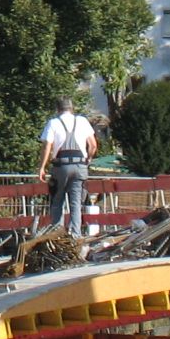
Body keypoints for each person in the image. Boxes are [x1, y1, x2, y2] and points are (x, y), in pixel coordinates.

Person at [36, 96, 98, 236]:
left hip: (61, 166)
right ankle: (76, 236)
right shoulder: (82, 121)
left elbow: (47, 146)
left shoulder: (53, 123)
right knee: (76, 203)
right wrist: (87, 159)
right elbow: (93, 145)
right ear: (72, 108)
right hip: (80, 165)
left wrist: (42, 167)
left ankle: (57, 235)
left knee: (57, 201)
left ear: (57, 109)